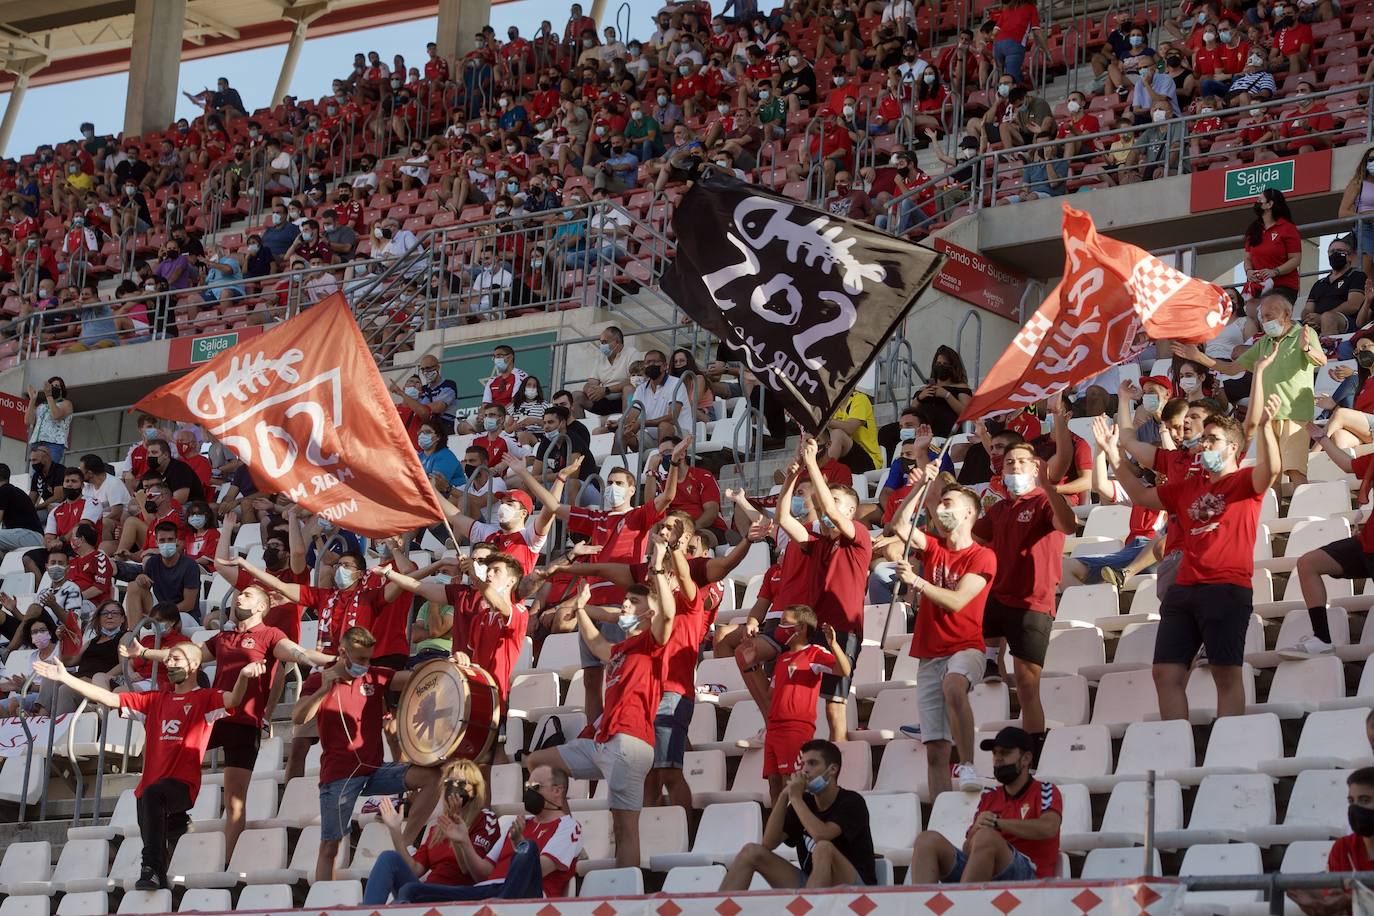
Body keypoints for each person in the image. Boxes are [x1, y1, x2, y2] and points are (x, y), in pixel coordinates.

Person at [1095, 388, 1280, 721]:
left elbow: (1272, 471)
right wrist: (1113, 455)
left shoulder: (1242, 482)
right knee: (1165, 674)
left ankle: (1227, 740)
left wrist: (1266, 428)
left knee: (1225, 675)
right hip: (1183, 589)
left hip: (1225, 589)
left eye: (1213, 439)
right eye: (1204, 438)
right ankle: (1176, 742)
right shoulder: (1187, 487)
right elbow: (1139, 494)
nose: (1205, 444)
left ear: (1232, 448)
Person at [128, 579, 333, 858]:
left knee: (235, 800)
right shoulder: (223, 637)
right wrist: (145, 653)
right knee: (167, 754)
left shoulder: (269, 634)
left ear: (262, 606)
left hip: (245, 723)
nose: (239, 598)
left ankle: (227, 861)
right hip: (215, 715)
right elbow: (186, 655)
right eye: (238, 594)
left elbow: (298, 653)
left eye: (247, 595)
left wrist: (330, 662)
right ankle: (175, 818)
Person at [31, 646, 260, 890]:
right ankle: (165, 861)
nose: (170, 663)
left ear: (194, 665)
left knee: (153, 808)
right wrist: (66, 678)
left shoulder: (205, 698)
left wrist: (244, 676)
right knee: (152, 825)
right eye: (169, 659)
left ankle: (154, 859)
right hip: (149, 788)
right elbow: (110, 698)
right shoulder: (154, 700)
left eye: (176, 658)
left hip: (182, 785)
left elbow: (234, 699)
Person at [524, 544, 677, 870]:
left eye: (633, 601)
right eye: (625, 600)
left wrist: (660, 567)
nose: (624, 604)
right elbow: (596, 643)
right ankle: (570, 837)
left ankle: (627, 897)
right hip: (603, 740)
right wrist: (580, 609)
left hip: (630, 743)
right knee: (539, 763)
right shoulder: (621, 647)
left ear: (649, 613)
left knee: (624, 830)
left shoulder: (654, 642)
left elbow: (669, 614)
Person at [293, 626, 442, 882]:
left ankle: (403, 841)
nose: (366, 664)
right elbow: (298, 717)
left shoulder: (375, 676)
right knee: (330, 847)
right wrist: (323, 691)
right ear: (343, 652)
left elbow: (414, 676)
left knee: (433, 776)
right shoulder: (319, 679)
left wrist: (448, 663)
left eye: (369, 658)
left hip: (374, 769)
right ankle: (324, 903)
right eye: (361, 658)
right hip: (339, 775)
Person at [892, 475, 996, 797]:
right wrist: (920, 487)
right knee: (935, 749)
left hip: (965, 646)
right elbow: (899, 524)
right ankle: (939, 813)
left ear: (969, 513)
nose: (940, 508)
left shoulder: (982, 555)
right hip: (929, 652)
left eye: (948, 502)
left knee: (954, 686)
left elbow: (957, 601)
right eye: (939, 503)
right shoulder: (934, 546)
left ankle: (967, 764)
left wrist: (917, 582)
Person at [777, 436, 872, 742]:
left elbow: (831, 512)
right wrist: (793, 476)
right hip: (815, 628)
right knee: (808, 702)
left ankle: (840, 760)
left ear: (853, 511)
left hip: (843, 629)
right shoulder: (818, 542)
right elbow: (782, 519)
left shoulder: (858, 536)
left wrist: (812, 463)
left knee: (834, 704)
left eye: (837, 502)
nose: (828, 506)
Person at [1177, 291, 1324, 485]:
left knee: (1295, 471)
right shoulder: (1264, 342)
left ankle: (1303, 512)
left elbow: (1321, 360)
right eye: (1262, 317)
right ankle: (1274, 515)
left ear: (1287, 314)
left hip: (1294, 415)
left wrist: (1306, 348)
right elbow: (1231, 368)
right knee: (1270, 476)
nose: (1264, 321)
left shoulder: (1305, 333)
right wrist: (1198, 357)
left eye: (1269, 316)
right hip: (1267, 417)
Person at [382, 763, 582, 902]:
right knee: (410, 890)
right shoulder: (515, 823)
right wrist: (464, 842)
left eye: (535, 787)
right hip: (487, 891)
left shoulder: (569, 827)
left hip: (527, 897)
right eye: (527, 786)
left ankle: (500, 905)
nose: (529, 791)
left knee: (528, 848)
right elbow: (483, 874)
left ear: (557, 791)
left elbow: (536, 872)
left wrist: (520, 843)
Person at [910, 726, 1063, 883]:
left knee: (987, 836)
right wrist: (976, 830)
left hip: (1031, 874)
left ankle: (963, 903)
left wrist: (998, 824)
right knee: (926, 840)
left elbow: (1048, 828)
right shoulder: (990, 795)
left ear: (1026, 758)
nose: (997, 758)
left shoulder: (1045, 789)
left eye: (1005, 752)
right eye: (995, 753)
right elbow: (968, 849)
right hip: (987, 869)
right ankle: (922, 907)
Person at [720, 739, 876, 890]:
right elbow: (768, 844)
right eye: (803, 764)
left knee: (823, 848)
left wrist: (795, 798)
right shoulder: (804, 801)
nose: (805, 770)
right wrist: (783, 796)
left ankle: (811, 909)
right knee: (751, 851)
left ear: (833, 769)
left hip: (855, 888)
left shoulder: (852, 801)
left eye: (812, 763)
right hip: (812, 883)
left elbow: (822, 835)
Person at [361, 760, 503, 905]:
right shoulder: (438, 827)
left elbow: (472, 872)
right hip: (428, 891)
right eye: (449, 783)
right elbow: (415, 869)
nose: (452, 789)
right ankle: (368, 911)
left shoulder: (485, 819)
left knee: (410, 891)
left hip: (462, 895)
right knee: (388, 858)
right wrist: (395, 831)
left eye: (459, 783)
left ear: (473, 789)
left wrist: (460, 839)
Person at [755, 605, 852, 802]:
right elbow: (769, 694)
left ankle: (796, 824)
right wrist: (752, 666)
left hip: (795, 728)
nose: (780, 628)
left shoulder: (814, 653)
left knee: (792, 780)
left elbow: (843, 670)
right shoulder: (781, 658)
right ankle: (778, 828)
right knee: (774, 781)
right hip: (773, 728)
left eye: (785, 623)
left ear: (801, 628)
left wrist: (833, 644)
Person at [1288, 766, 1374, 915]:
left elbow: (1347, 899)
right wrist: (1319, 904)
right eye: (1351, 801)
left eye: (1365, 800)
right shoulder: (1343, 847)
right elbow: (1334, 897)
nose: (1355, 809)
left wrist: (1350, 899)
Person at [1302, 235, 1365, 336]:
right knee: (1286, 323)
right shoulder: (1319, 283)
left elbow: (1353, 305)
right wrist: (1308, 318)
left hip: (1346, 322)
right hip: (1316, 323)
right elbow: (1308, 308)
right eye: (1332, 251)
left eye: (1340, 251)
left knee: (1328, 317)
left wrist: (1321, 318)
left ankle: (1329, 350)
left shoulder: (1357, 276)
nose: (1335, 254)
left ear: (1350, 257)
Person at [25, 376, 73, 463]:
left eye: (57, 386)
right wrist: (32, 400)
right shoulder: (42, 406)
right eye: (51, 386)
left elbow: (56, 415)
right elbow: (28, 421)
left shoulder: (66, 403)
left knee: (50, 472)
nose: (53, 388)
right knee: (36, 473)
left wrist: (49, 395)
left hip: (53, 444)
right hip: (37, 443)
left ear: (62, 391)